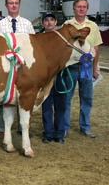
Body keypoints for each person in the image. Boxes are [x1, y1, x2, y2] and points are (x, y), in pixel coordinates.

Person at [0, 0, 35, 139]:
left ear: (19, 4)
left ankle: (22, 127)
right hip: (5, 67)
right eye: (11, 3)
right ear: (6, 6)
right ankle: (0, 127)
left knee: (23, 96)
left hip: (24, 67)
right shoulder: (0, 25)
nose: (14, 5)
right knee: (2, 97)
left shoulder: (27, 24)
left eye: (16, 2)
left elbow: (33, 46)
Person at [63, 0, 103, 138]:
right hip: (71, 67)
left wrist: (95, 68)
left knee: (86, 98)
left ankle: (85, 126)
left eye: (84, 7)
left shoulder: (93, 26)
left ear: (87, 9)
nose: (81, 9)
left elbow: (96, 48)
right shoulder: (67, 25)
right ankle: (65, 127)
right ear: (74, 9)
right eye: (78, 6)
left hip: (87, 66)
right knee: (66, 98)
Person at [39, 12, 66, 144]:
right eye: (46, 20)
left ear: (56, 22)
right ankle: (48, 133)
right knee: (46, 106)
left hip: (61, 75)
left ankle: (59, 133)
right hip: (45, 77)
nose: (49, 22)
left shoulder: (63, 38)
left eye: (51, 20)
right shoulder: (37, 39)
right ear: (42, 23)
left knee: (61, 106)